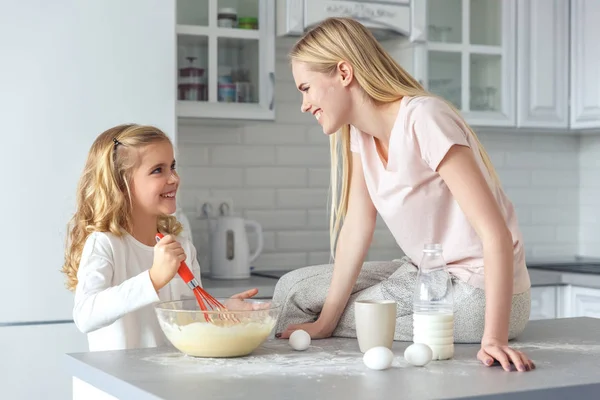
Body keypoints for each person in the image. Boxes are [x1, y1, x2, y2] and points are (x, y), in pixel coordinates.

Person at [271, 17, 535, 372]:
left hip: (478, 292)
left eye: (306, 88)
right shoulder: (358, 135)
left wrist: (495, 339)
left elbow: (495, 233)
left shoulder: (424, 118)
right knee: (292, 291)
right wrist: (324, 324)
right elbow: (357, 226)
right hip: (426, 275)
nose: (303, 104)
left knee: (354, 312)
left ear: (344, 73)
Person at [62, 124, 258, 352]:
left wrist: (224, 311)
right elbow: (85, 315)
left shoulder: (181, 246)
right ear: (121, 185)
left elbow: (190, 320)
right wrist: (153, 278)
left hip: (165, 381)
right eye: (158, 170)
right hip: (118, 382)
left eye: (172, 167)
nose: (174, 178)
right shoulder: (106, 244)